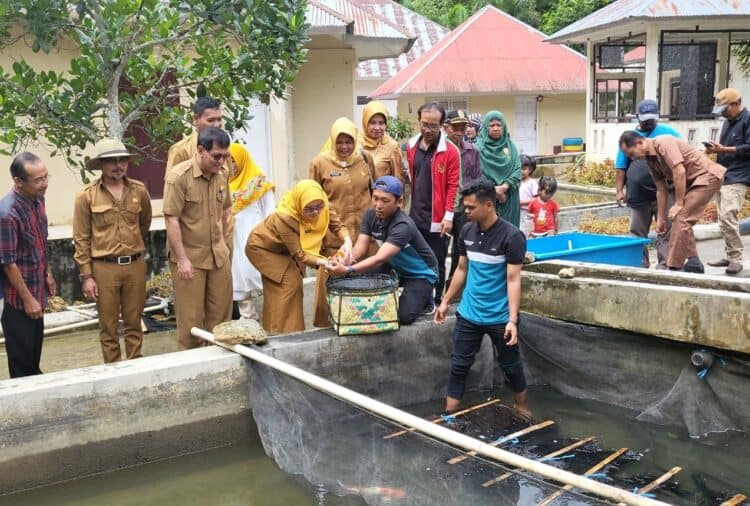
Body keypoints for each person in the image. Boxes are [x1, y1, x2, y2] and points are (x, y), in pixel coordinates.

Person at [435, 179, 529, 418]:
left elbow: (513, 280)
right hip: (469, 312)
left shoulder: (512, 236)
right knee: (458, 365)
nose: (465, 212)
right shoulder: (466, 231)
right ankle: (449, 414)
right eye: (464, 207)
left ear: (488, 205)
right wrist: (445, 301)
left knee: (511, 365)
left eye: (470, 207)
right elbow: (461, 270)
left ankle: (521, 407)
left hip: (499, 316)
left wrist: (512, 319)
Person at [73, 139, 152, 363]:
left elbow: (144, 223)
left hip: (135, 265)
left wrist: (133, 244)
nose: (119, 165)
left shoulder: (139, 190)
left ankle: (135, 365)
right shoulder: (86, 196)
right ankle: (113, 369)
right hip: (104, 268)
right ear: (100, 164)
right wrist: (86, 276)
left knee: (134, 322)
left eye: (123, 160)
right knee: (108, 327)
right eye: (111, 161)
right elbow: (81, 238)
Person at [326, 176, 438, 324]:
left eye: (385, 200)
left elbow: (380, 258)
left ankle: (427, 297)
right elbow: (360, 247)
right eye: (375, 198)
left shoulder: (403, 225)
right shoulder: (370, 215)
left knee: (403, 317)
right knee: (352, 279)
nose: (378, 205)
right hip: (395, 266)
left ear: (399, 202)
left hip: (420, 274)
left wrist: (347, 269)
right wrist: (344, 260)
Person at [246, 180, 352, 334]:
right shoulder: (286, 217)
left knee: (292, 286)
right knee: (289, 285)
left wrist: (347, 242)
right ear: (299, 204)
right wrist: (326, 262)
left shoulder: (324, 204)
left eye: (318, 207)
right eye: (309, 209)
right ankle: (282, 333)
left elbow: (338, 226)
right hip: (263, 248)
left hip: (286, 249)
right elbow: (300, 254)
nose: (316, 213)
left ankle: (286, 330)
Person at [163, 127, 233, 349]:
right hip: (190, 259)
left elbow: (226, 211)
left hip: (218, 257)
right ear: (201, 150)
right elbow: (171, 219)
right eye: (216, 156)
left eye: (225, 156)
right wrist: (182, 259)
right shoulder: (179, 177)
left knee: (222, 324)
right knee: (191, 326)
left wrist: (225, 246)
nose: (221, 161)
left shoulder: (221, 175)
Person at [619, 132, 726, 273]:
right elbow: (661, 190)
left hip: (707, 176)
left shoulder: (663, 142)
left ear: (640, 142)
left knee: (681, 217)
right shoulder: (650, 160)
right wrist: (660, 220)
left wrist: (679, 204)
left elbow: (679, 172)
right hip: (692, 182)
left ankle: (673, 268)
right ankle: (694, 262)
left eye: (632, 153)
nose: (633, 158)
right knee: (679, 219)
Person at [310, 117, 374, 327]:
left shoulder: (364, 158)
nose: (344, 146)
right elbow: (313, 197)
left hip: (364, 233)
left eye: (349, 141)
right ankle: (329, 323)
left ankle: (361, 320)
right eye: (340, 141)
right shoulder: (319, 163)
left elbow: (373, 190)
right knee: (332, 278)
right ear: (332, 140)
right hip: (334, 234)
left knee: (362, 277)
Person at [0, 152, 55, 378]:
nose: (44, 184)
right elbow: (7, 262)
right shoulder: (7, 213)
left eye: (45, 177)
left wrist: (48, 274)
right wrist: (28, 299)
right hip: (18, 299)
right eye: (38, 180)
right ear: (18, 182)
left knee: (34, 356)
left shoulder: (37, 199)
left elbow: (41, 240)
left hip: (36, 288)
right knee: (22, 364)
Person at [405, 102, 460, 308]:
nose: (428, 130)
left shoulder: (450, 151)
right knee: (418, 259)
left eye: (433, 126)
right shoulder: (411, 146)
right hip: (416, 214)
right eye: (424, 124)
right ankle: (423, 300)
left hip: (438, 217)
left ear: (442, 125)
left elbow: (453, 186)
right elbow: (413, 177)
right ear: (418, 121)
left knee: (436, 259)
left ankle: (437, 300)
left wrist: (448, 216)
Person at [615, 99, 680, 268]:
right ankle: (640, 264)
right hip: (638, 195)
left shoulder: (667, 132)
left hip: (665, 191)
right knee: (637, 231)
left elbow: (681, 158)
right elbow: (621, 166)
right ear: (638, 117)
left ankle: (665, 264)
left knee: (665, 229)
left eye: (652, 118)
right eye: (645, 119)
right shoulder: (628, 139)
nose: (649, 122)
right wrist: (619, 190)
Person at [227, 143, 275, 319]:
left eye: (232, 160)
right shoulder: (221, 184)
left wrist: (268, 237)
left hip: (256, 237)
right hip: (233, 239)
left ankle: (273, 317)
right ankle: (248, 318)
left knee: (262, 275)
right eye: (226, 160)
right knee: (238, 277)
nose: (229, 165)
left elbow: (270, 212)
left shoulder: (259, 182)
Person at [705, 88, 750, 275]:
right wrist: (715, 150)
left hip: (739, 176)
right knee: (723, 219)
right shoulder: (728, 122)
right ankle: (730, 254)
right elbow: (724, 148)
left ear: (736, 104)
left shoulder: (748, 120)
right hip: (724, 174)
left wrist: (723, 149)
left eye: (725, 109)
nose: (723, 113)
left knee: (728, 215)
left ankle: (736, 258)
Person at [444, 109, 482, 290]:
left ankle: (455, 288)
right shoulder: (439, 150)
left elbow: (476, 179)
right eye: (455, 128)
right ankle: (438, 290)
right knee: (440, 249)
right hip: (443, 208)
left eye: (462, 127)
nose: (459, 132)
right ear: (446, 128)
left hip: (463, 208)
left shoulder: (472, 151)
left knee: (461, 249)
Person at [478, 111, 522, 227]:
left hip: (510, 197)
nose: (496, 128)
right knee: (489, 233)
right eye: (491, 125)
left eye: (499, 125)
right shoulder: (478, 148)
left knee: (511, 232)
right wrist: (494, 191)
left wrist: (504, 187)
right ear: (486, 127)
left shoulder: (511, 146)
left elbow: (517, 169)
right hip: (488, 197)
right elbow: (476, 173)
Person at [360, 101, 406, 184]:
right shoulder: (356, 143)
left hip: (382, 195)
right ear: (365, 122)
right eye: (372, 122)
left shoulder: (392, 146)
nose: (377, 128)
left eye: (381, 123)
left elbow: (398, 180)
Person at [518, 155, 539, 237]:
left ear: (530, 170)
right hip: (518, 211)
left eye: (524, 169)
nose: (521, 171)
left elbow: (537, 199)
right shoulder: (516, 182)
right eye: (519, 168)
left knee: (526, 232)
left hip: (528, 212)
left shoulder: (532, 183)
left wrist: (522, 203)